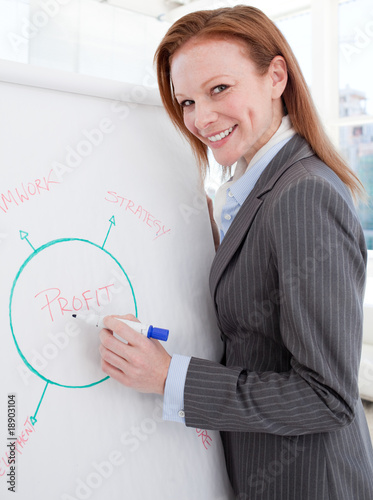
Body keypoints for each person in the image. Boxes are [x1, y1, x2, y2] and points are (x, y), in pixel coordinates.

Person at [99, 6, 373, 499]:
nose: (201, 118)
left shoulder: (304, 194)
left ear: (275, 76)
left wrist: (168, 377)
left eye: (219, 89)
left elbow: (327, 397)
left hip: (308, 482)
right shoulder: (247, 188)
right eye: (186, 101)